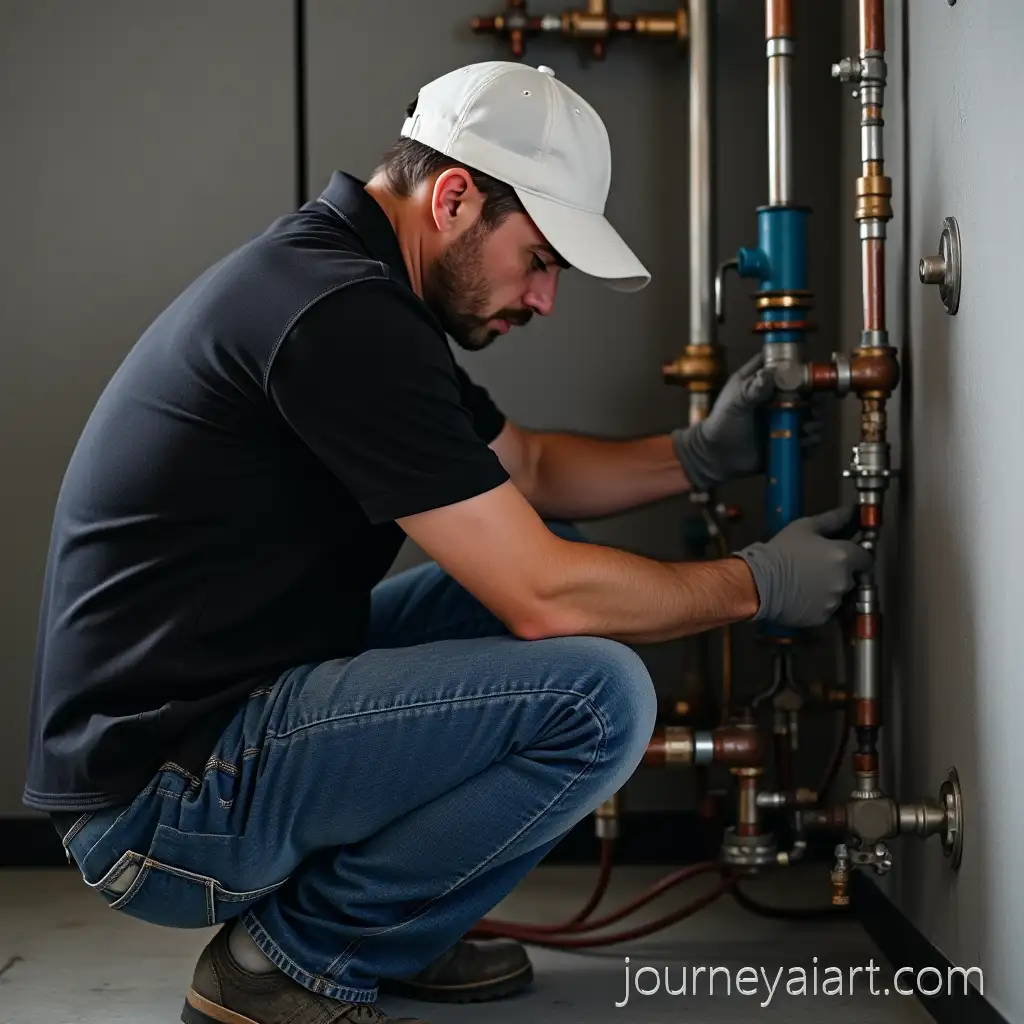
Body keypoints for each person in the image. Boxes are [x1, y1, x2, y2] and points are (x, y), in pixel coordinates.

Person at [24, 61, 871, 1024]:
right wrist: (755, 585)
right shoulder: (339, 315)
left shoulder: (347, 283)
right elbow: (542, 596)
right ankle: (294, 961)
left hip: (211, 730)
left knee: (537, 565)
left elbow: (531, 469)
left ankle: (393, 925)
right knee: (599, 697)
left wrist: (698, 455)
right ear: (455, 198)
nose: (544, 299)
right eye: (539, 259)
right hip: (163, 805)